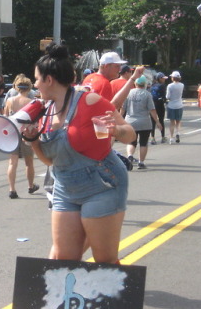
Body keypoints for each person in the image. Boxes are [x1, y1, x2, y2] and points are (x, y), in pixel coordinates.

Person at [23, 42, 136, 264]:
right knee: (64, 259)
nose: (35, 85)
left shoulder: (90, 100)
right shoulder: (44, 112)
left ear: (49, 80)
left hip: (103, 185)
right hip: (65, 187)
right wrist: (33, 140)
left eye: (37, 79)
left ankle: (109, 298)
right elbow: (50, 161)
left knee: (104, 260)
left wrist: (115, 130)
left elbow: (130, 134)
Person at [3, 77, 39, 199]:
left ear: (16, 87)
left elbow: (5, 117)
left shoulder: (10, 101)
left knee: (12, 163)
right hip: (26, 134)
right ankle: (30, 186)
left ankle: (12, 189)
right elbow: (34, 121)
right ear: (29, 88)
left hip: (13, 134)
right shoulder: (31, 102)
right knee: (29, 163)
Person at [122, 75, 162, 170]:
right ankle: (141, 162)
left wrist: (120, 119)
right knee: (143, 143)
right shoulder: (147, 94)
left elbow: (123, 108)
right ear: (144, 84)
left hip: (130, 121)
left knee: (131, 142)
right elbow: (152, 110)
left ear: (135, 83)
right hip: (144, 122)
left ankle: (130, 156)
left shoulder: (128, 93)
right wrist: (157, 121)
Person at [166, 70, 184, 144]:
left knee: (172, 122)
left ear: (173, 78)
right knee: (178, 121)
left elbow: (168, 96)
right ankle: (178, 133)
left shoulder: (170, 86)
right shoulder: (182, 85)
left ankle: (171, 137)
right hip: (179, 104)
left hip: (171, 105)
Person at [150, 72, 168, 144]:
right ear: (160, 78)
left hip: (152, 104)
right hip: (160, 104)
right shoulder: (162, 86)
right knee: (161, 120)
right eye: (163, 78)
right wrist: (165, 101)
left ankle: (152, 138)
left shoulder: (152, 85)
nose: (164, 80)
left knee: (153, 121)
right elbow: (164, 96)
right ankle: (163, 137)